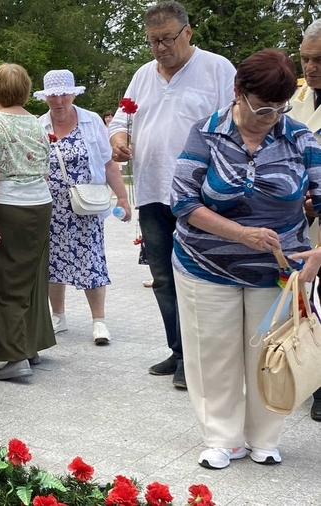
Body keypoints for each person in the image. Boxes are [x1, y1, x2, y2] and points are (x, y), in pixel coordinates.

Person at [171, 49, 321, 469]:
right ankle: (222, 438)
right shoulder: (206, 131)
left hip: (277, 271)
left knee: (270, 354)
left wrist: (320, 255)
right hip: (204, 263)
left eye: (279, 108)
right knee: (212, 353)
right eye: (262, 108)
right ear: (238, 92)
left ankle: (265, 438)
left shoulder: (301, 139)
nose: (270, 116)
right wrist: (242, 234)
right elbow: (182, 201)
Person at [108, 1, 236, 389]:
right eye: (153, 41)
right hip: (151, 190)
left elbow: (234, 126)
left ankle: (201, 359)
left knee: (200, 279)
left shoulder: (217, 69)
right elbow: (121, 119)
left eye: (167, 39)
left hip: (200, 197)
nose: (161, 48)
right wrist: (118, 139)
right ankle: (179, 351)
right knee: (163, 277)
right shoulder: (143, 75)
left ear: (188, 32)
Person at [0, 63, 54, 380]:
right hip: (40, 204)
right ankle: (31, 346)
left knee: (4, 281)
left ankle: (15, 356)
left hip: (7, 206)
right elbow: (44, 171)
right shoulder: (38, 124)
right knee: (31, 277)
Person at [35, 69, 131, 345]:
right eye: (53, 95)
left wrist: (122, 198)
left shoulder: (90, 121)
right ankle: (58, 316)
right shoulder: (40, 126)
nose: (59, 100)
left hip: (86, 204)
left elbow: (107, 164)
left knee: (92, 261)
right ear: (46, 97)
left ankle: (99, 320)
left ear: (73, 94)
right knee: (53, 263)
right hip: (51, 207)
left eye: (64, 94)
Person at [288, 18, 321, 423]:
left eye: (319, 60)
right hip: (301, 221)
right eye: (306, 59)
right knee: (306, 305)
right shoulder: (296, 100)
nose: (311, 68)